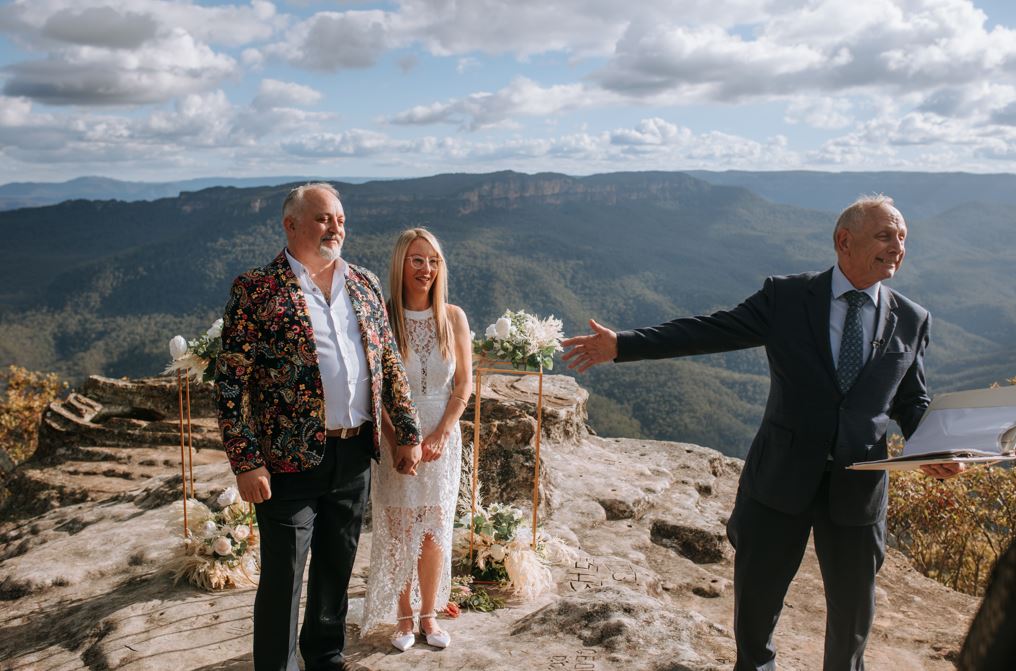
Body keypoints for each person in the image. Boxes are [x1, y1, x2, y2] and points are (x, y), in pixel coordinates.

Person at [562, 195, 963, 671]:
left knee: (853, 620)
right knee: (756, 614)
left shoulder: (912, 319)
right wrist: (624, 345)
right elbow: (711, 331)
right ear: (843, 241)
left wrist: (933, 447)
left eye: (902, 238)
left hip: (859, 488)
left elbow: (911, 400)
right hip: (780, 480)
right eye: (885, 235)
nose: (897, 246)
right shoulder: (789, 297)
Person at [215, 183, 422, 671]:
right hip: (286, 461)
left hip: (353, 456)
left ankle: (326, 658)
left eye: (341, 219)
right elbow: (229, 385)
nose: (336, 228)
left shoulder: (365, 284)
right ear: (290, 226)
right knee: (284, 576)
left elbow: (389, 363)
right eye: (324, 218)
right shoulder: (257, 290)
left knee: (336, 567)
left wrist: (407, 432)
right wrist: (246, 462)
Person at [362, 228, 472, 651]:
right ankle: (403, 617)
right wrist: (396, 439)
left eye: (433, 261)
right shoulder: (383, 317)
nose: (426, 269)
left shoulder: (454, 317)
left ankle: (429, 615)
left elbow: (463, 383)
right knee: (399, 527)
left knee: (435, 530)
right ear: (400, 265)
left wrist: (442, 433)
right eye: (416, 260)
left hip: (444, 433)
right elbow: (373, 391)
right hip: (396, 435)